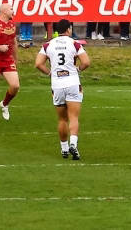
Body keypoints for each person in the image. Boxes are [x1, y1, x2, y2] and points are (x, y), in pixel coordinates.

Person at [35, 19, 90, 160]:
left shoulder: (48, 45)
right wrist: (77, 69)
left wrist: (49, 73)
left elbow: (38, 64)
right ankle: (73, 144)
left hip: (57, 85)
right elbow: (86, 62)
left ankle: (64, 149)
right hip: (72, 83)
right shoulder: (74, 43)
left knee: (61, 119)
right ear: (69, 29)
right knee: (73, 117)